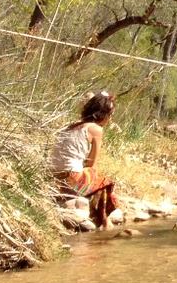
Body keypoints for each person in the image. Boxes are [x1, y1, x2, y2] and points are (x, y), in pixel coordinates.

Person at [49, 91, 122, 228]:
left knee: (95, 181)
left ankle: (97, 219)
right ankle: (105, 223)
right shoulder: (96, 129)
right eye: (110, 115)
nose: (110, 119)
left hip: (55, 175)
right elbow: (91, 164)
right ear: (102, 114)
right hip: (72, 176)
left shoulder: (70, 126)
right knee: (105, 183)